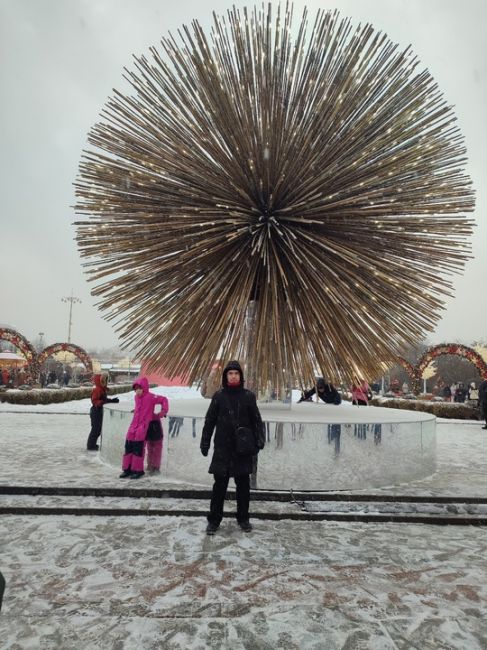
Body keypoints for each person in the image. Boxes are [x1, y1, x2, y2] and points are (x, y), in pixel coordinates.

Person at [200, 360, 265, 535]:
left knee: (243, 486)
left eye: (236, 373)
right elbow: (210, 421)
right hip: (222, 448)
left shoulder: (248, 397)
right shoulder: (219, 396)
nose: (233, 376)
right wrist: (205, 441)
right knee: (219, 487)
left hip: (242, 450)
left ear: (240, 376)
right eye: (230, 373)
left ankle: (243, 518)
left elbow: (257, 421)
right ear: (226, 376)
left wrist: (259, 440)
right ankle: (214, 520)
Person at [120, 376, 168, 479]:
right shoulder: (136, 398)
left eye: (139, 388)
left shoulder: (151, 397)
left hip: (143, 427)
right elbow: (140, 407)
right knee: (128, 447)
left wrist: (163, 411)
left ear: (144, 388)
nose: (137, 391)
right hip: (133, 426)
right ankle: (127, 469)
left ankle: (138, 470)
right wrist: (136, 410)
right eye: (136, 389)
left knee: (138, 448)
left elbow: (164, 399)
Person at [86, 373, 119, 451]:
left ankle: (92, 444)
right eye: (105, 380)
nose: (107, 382)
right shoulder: (97, 389)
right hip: (95, 411)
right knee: (95, 429)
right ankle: (90, 446)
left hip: (99, 411)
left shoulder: (101, 389)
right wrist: (103, 403)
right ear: (101, 381)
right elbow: (95, 401)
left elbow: (103, 400)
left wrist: (112, 401)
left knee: (98, 429)